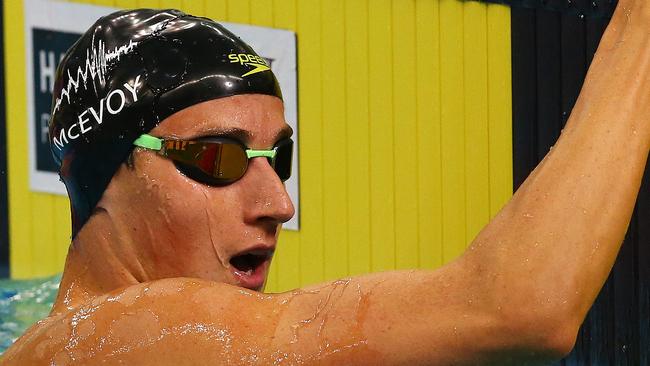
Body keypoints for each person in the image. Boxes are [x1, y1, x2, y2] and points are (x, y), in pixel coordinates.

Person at [2, 0, 649, 364]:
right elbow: (514, 312)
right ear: (106, 171)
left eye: (276, 159)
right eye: (217, 158)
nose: (277, 204)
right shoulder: (127, 335)